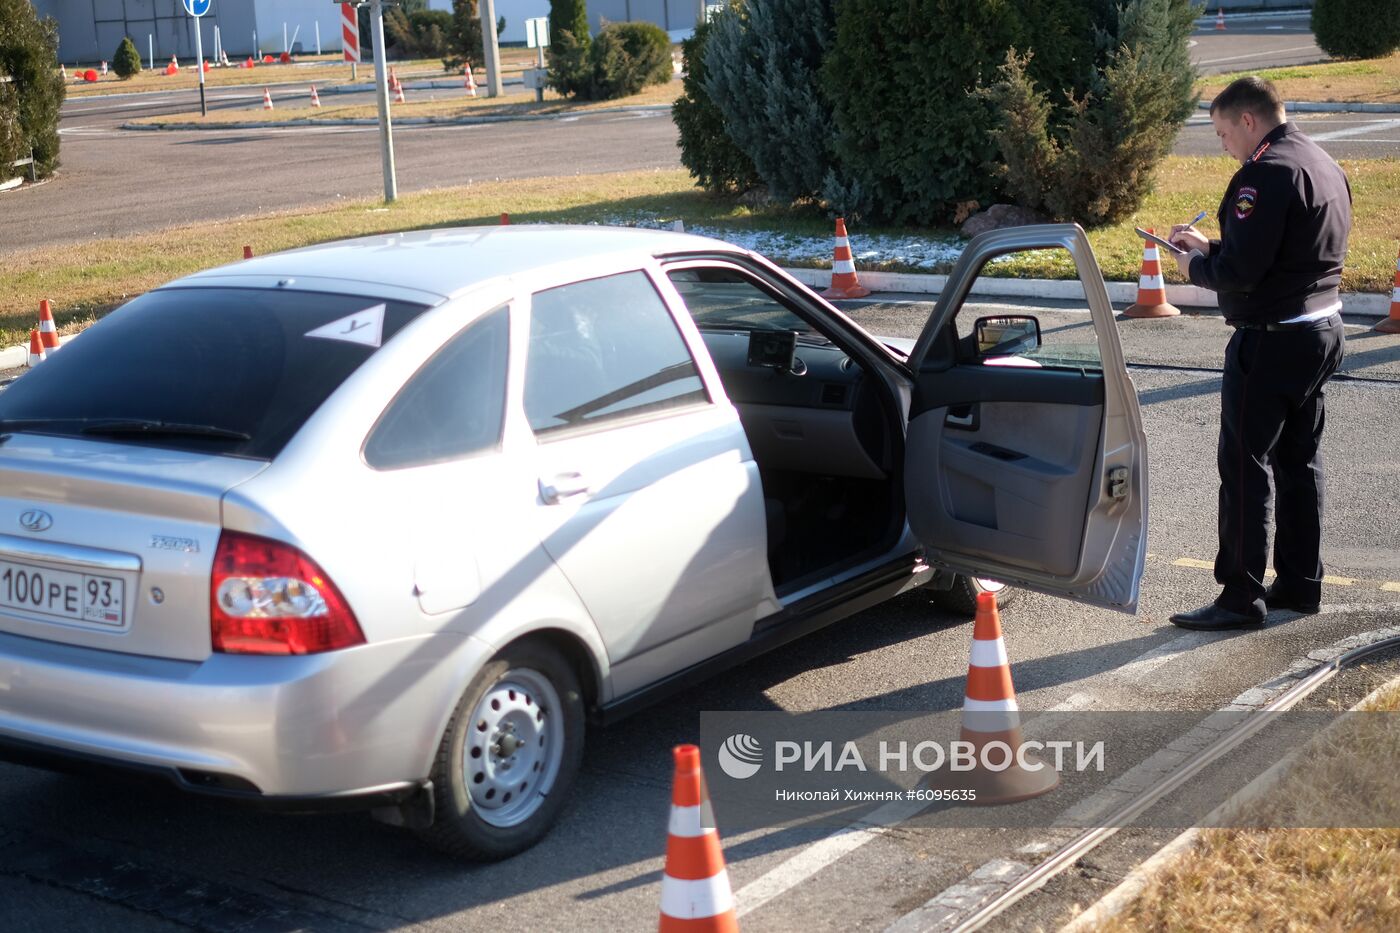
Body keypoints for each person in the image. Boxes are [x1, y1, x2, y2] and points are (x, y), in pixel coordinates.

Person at [1167, 76, 1350, 631]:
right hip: (1321, 328)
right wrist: (1214, 245)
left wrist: (1192, 267)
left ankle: (1239, 596)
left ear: (1249, 121)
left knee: (1244, 465)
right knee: (1299, 460)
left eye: (1223, 132)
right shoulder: (1320, 161)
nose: (1224, 144)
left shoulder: (1263, 174)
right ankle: (1300, 581)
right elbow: (1285, 251)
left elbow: (1242, 274)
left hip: (1272, 340)